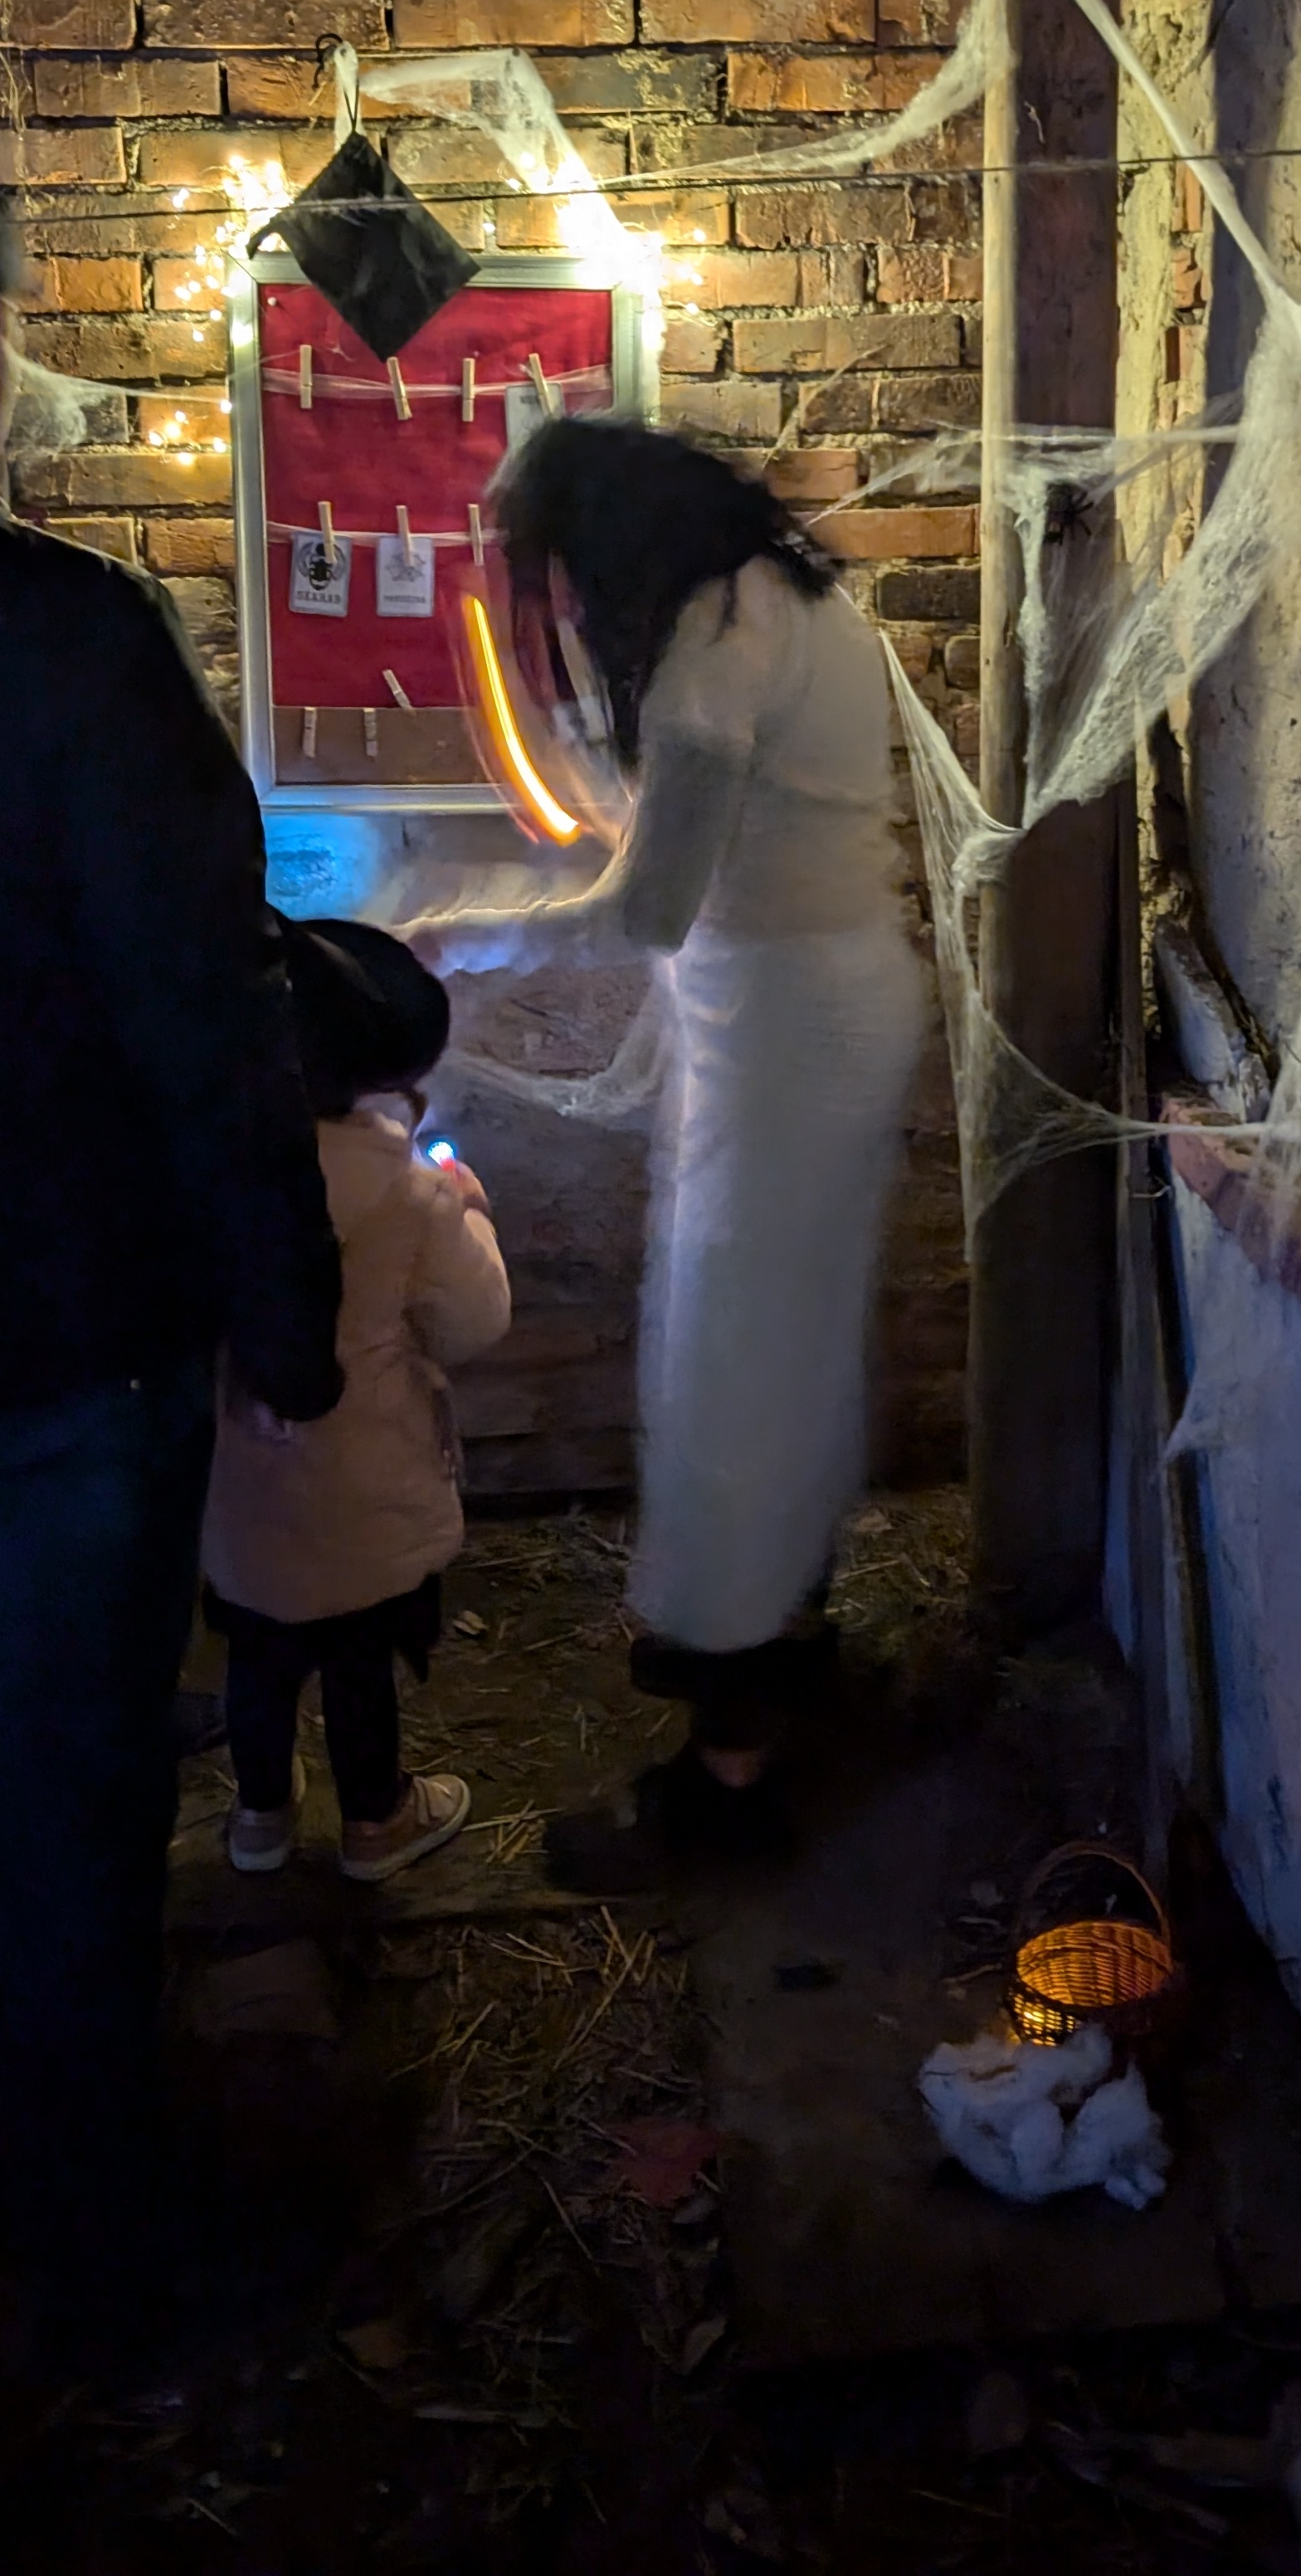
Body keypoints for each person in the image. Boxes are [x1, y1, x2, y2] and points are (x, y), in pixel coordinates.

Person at [0, 136, 343, 2383]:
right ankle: (99, 2263)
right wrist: (287, 1308)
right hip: (65, 1369)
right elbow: (207, 1008)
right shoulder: (65, 638)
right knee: (70, 1814)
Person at [427, 415, 924, 1891]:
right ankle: (785, 1636)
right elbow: (677, 850)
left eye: (556, 571)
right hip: (801, 1005)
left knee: (731, 1368)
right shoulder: (781, 600)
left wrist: (447, 938)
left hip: (788, 1024)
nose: (559, 602)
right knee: (780, 1346)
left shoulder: (715, 655)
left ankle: (730, 1773)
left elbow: (645, 908)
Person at [202, 918, 510, 1881]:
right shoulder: (411, 1192)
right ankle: (376, 1820)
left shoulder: (214, 1170)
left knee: (257, 1652)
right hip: (364, 1479)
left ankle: (259, 1818)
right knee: (357, 1660)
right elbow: (474, 1321)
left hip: (245, 1476)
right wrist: (470, 1212)